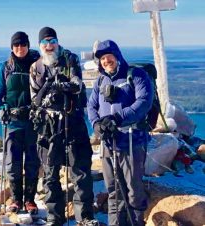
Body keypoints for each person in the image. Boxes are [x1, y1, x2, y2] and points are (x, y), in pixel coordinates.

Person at [29, 27, 99, 226]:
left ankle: (84, 217)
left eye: (52, 41)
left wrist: (66, 87)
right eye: (45, 42)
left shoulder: (70, 59)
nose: (49, 45)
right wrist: (48, 92)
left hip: (72, 120)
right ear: (40, 45)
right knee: (50, 172)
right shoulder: (36, 67)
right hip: (48, 125)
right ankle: (54, 217)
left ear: (58, 42)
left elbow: (78, 83)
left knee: (80, 170)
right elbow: (35, 99)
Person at [87, 40, 153, 226]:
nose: (106, 61)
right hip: (108, 143)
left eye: (109, 57)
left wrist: (117, 118)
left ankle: (135, 223)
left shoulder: (135, 75)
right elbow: (91, 105)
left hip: (131, 140)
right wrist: (96, 124)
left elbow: (143, 102)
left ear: (117, 56)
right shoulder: (101, 80)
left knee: (133, 189)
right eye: (102, 59)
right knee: (114, 190)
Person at [0, 31, 40, 214]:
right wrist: (1, 109)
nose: (20, 48)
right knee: (13, 164)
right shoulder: (6, 68)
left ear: (28, 45)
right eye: (16, 45)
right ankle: (16, 199)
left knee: (33, 163)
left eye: (23, 44)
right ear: (12, 47)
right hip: (12, 123)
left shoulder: (37, 65)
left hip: (33, 123)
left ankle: (30, 200)